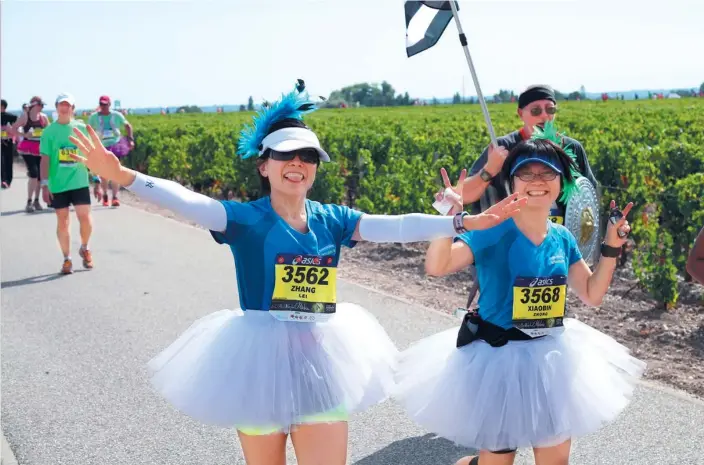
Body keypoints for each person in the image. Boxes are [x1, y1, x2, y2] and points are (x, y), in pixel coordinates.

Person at [67, 81, 523, 465]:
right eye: (286, 156)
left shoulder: (333, 219)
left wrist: (463, 222)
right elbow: (187, 200)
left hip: (321, 361)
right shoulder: (244, 219)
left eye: (308, 157)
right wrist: (123, 175)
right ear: (264, 165)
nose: (298, 164)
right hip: (257, 363)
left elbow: (397, 226)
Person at [394, 137, 646, 465]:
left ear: (562, 183)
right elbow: (437, 266)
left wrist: (611, 248)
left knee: (555, 460)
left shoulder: (562, 237)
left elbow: (592, 294)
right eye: (526, 174)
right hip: (497, 359)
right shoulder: (492, 228)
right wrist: (450, 217)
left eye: (547, 174)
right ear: (512, 182)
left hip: (552, 358)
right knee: (498, 458)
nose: (537, 182)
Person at [39, 93, 94, 275]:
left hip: (79, 180)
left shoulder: (81, 128)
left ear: (73, 108)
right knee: (63, 221)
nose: (64, 108)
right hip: (58, 184)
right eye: (61, 105)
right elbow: (45, 160)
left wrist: (97, 176)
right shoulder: (49, 132)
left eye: (67, 105)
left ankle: (85, 247)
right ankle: (67, 259)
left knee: (84, 217)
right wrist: (45, 184)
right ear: (56, 108)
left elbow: (91, 153)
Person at [87, 95, 135, 207]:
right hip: (101, 146)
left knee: (116, 172)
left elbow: (128, 126)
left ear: (109, 104)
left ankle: (115, 197)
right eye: (101, 104)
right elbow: (88, 129)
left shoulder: (116, 115)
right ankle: (105, 195)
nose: (103, 107)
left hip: (116, 145)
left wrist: (130, 139)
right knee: (104, 174)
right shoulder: (94, 117)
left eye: (105, 104)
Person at [10, 96, 51, 212]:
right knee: (33, 173)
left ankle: (36, 201)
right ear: (34, 105)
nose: (42, 107)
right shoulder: (25, 116)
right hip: (28, 147)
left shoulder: (43, 117)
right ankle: (29, 201)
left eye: (43, 105)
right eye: (40, 105)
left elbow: (49, 132)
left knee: (39, 177)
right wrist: (24, 135)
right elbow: (13, 129)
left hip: (41, 148)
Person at [1, 99, 18, 189]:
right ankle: (3, 180)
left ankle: (8, 180)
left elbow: (17, 130)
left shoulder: (12, 117)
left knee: (8, 161)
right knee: (1, 162)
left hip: (8, 141)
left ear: (3, 106)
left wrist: (9, 129)